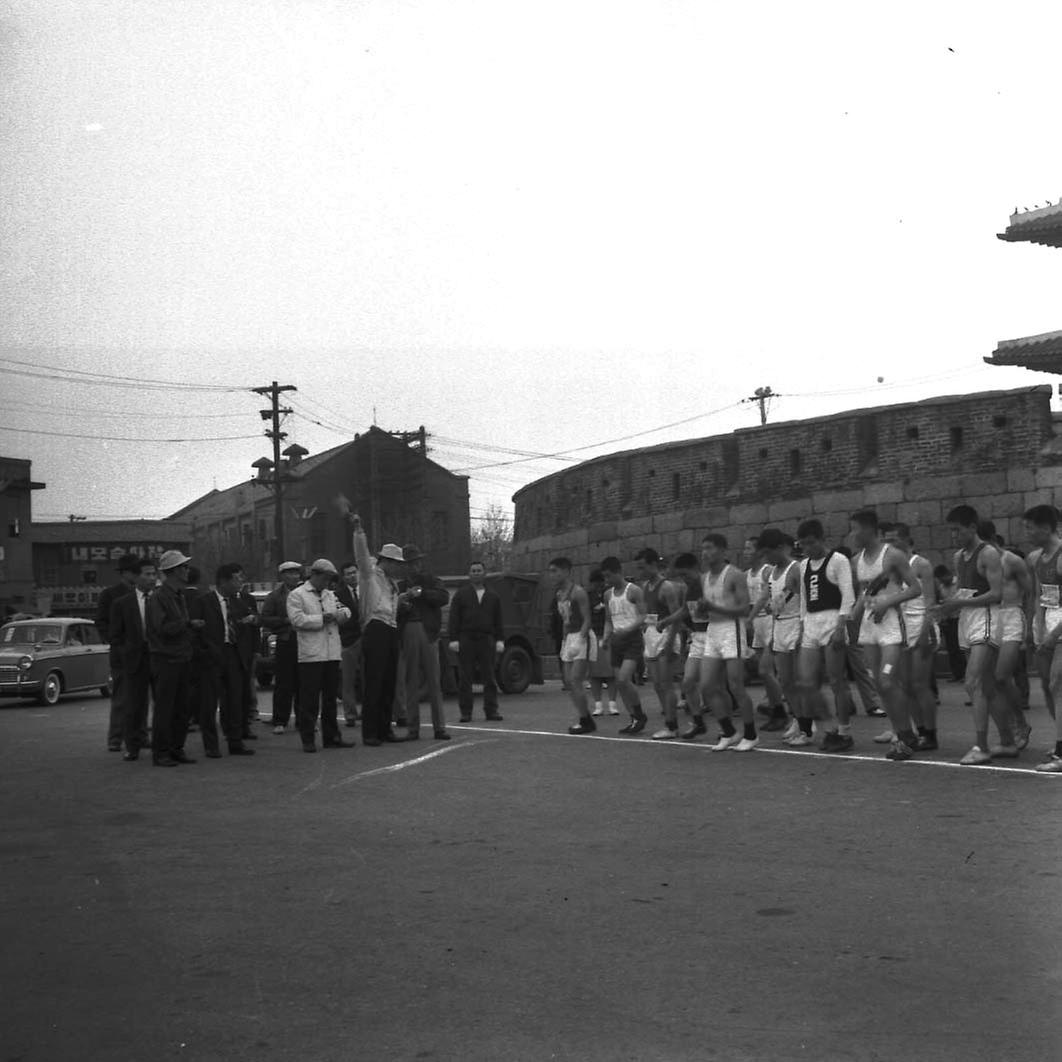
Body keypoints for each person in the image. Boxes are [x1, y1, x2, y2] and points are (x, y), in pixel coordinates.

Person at [850, 509, 922, 761]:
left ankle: (907, 735)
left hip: (891, 625)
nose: (853, 534)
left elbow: (915, 588)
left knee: (889, 680)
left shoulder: (892, 555)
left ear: (870, 529)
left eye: (857, 529)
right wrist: (853, 616)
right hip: (869, 628)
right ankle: (900, 733)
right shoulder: (856, 560)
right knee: (880, 685)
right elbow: (863, 593)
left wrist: (888, 602)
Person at [937, 506, 1006, 766]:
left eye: (958, 530)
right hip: (968, 618)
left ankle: (982, 745)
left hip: (987, 616)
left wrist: (958, 604)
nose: (954, 535)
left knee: (973, 682)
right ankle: (1009, 739)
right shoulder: (958, 557)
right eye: (951, 530)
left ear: (973, 528)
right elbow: (962, 591)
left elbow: (997, 594)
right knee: (985, 685)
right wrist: (946, 607)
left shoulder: (987, 553)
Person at [348, 513, 413, 745]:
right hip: (375, 627)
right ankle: (370, 732)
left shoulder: (391, 583)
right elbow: (361, 556)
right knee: (374, 681)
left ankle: (385, 729)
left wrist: (401, 601)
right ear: (386, 561)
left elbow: (390, 605)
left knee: (388, 681)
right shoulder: (369, 575)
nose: (399, 568)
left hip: (390, 628)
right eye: (396, 563)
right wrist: (359, 531)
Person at [794, 519, 855, 752]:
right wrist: (801, 629)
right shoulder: (803, 566)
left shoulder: (838, 560)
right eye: (803, 545)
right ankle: (820, 728)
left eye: (811, 543)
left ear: (821, 539)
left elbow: (848, 595)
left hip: (832, 621)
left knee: (836, 680)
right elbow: (803, 598)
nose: (807, 549)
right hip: (811, 622)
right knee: (807, 681)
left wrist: (841, 627)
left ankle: (844, 731)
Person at [879, 523, 940, 751]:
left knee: (920, 684)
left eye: (895, 539)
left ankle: (931, 734)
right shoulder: (890, 566)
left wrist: (926, 630)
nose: (891, 544)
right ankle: (919, 730)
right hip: (901, 626)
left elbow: (931, 601)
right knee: (905, 684)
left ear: (906, 540)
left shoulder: (920, 564)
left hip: (920, 622)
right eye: (887, 539)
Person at [696, 534, 758, 751]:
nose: (705, 552)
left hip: (732, 629)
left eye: (710, 548)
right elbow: (706, 610)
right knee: (707, 686)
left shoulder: (735, 575)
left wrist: (714, 608)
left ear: (723, 550)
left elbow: (744, 609)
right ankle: (729, 731)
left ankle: (750, 734)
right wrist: (703, 610)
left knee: (735, 685)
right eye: (703, 548)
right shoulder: (703, 578)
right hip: (713, 630)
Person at [189, 563, 257, 758]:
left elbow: (256, 620)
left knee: (235, 701)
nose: (241, 582)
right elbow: (194, 632)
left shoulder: (239, 602)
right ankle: (211, 745)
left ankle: (235, 742)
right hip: (211, 658)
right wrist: (203, 653)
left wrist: (252, 620)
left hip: (234, 655)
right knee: (209, 703)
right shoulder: (203, 602)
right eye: (237, 578)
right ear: (223, 581)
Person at [287, 558, 353, 753]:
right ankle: (308, 738)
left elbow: (346, 611)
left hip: (331, 652)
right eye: (325, 578)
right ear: (315, 575)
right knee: (310, 699)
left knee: (331, 699)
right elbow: (297, 620)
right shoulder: (297, 595)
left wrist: (339, 616)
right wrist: (321, 619)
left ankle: (332, 736)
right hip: (311, 654)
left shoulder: (329, 595)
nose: (327, 583)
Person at [979, 520, 1033, 755]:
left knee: (1002, 676)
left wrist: (1031, 626)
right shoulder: (978, 561)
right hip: (990, 617)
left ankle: (1019, 721)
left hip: (1012, 615)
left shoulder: (1012, 561)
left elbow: (1031, 593)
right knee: (990, 679)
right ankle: (1011, 727)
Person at [145, 550, 204, 767]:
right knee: (165, 709)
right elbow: (161, 629)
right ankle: (161, 752)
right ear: (173, 571)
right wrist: (188, 625)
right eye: (184, 567)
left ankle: (176, 749)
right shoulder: (160, 597)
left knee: (182, 708)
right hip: (166, 659)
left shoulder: (178, 595)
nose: (188, 570)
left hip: (181, 657)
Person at [755, 529, 803, 743]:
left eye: (769, 553)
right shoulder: (770, 572)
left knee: (800, 679)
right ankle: (797, 719)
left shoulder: (796, 569)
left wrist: (803, 630)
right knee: (785, 681)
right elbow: (769, 598)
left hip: (796, 624)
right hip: (779, 625)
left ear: (780, 548)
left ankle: (807, 723)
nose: (767, 558)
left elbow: (806, 602)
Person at [398, 544, 451, 740]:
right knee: (411, 680)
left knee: (434, 681)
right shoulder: (401, 585)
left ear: (421, 562)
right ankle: (413, 728)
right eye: (409, 564)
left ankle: (440, 727)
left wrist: (423, 593)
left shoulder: (432, 581)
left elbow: (444, 598)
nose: (413, 567)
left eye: (416, 562)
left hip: (428, 632)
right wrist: (403, 603)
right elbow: (393, 610)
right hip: (410, 629)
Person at [656, 552, 710, 741]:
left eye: (686, 575)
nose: (684, 579)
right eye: (682, 576)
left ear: (696, 568)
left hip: (714, 635)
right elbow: (685, 610)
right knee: (687, 682)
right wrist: (666, 621)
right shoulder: (690, 588)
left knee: (712, 685)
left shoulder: (707, 583)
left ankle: (728, 727)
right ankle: (698, 722)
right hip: (697, 637)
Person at [1024, 505, 1062, 772]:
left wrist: (1054, 634)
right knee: (1049, 687)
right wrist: (1035, 628)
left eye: (1030, 527)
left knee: (1058, 684)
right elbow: (1038, 596)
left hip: (1060, 628)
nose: (1027, 533)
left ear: (1047, 527)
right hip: (1046, 625)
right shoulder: (1035, 558)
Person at [108, 558, 157, 761]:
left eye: (154, 574)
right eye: (147, 574)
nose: (152, 578)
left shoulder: (162, 599)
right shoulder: (122, 604)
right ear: (137, 577)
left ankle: (162, 743)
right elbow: (115, 635)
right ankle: (132, 745)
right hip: (134, 659)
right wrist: (125, 654)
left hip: (159, 657)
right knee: (133, 705)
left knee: (162, 703)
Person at [448, 559, 505, 723]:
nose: (476, 573)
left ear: (484, 573)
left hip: (486, 639)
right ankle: (466, 712)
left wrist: (500, 639)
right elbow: (454, 618)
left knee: (489, 676)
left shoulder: (493, 596)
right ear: (469, 574)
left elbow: (498, 620)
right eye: (473, 571)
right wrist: (454, 639)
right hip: (466, 639)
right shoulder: (461, 594)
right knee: (465, 678)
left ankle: (491, 711)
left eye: (479, 570)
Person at [634, 548, 682, 740]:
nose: (640, 571)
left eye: (643, 567)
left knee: (666, 683)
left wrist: (670, 643)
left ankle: (672, 725)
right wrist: (645, 629)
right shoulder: (645, 586)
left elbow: (677, 616)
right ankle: (669, 721)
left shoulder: (667, 587)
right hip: (651, 635)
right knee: (657, 685)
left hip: (665, 635)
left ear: (653, 565)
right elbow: (647, 613)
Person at [96, 553, 140, 752]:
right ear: (124, 573)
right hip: (121, 653)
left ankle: (140, 735)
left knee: (142, 698)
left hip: (143, 652)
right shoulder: (110, 594)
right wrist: (116, 642)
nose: (137, 575)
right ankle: (115, 738)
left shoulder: (144, 593)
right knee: (121, 698)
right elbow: (101, 622)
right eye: (134, 572)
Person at [599, 555, 647, 734]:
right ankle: (634, 717)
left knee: (623, 678)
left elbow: (643, 615)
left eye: (610, 576)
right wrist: (605, 636)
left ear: (619, 572)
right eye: (605, 577)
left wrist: (628, 629)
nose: (607, 580)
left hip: (632, 640)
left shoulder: (634, 591)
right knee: (620, 684)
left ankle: (640, 714)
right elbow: (608, 620)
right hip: (616, 641)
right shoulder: (607, 595)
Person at [742, 536, 786, 729]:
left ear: (759, 551)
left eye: (749, 548)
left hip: (769, 621)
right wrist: (748, 619)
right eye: (745, 549)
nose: (746, 552)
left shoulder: (767, 571)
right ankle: (774, 704)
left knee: (766, 670)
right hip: (757, 623)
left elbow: (767, 596)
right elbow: (748, 600)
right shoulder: (746, 575)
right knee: (765, 671)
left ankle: (781, 710)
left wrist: (757, 614)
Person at [549, 557, 596, 734]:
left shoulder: (578, 592)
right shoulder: (559, 594)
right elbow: (564, 621)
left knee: (576, 679)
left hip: (581, 636)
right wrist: (563, 641)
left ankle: (585, 721)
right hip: (568, 637)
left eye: (555, 571)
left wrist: (580, 640)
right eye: (550, 571)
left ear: (566, 571)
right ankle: (585, 717)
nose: (552, 575)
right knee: (569, 682)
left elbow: (587, 619)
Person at [260, 561, 303, 734]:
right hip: (285, 640)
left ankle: (303, 720)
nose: (294, 576)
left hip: (305, 641)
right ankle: (280, 720)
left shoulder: (305, 593)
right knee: (284, 683)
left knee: (304, 683)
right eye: (290, 573)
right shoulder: (275, 596)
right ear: (282, 576)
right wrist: (284, 621)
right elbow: (265, 618)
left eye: (296, 573)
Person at [334, 560, 363, 729]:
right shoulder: (337, 595)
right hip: (348, 640)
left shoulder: (367, 590)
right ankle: (350, 714)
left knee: (370, 677)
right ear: (343, 578)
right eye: (348, 574)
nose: (352, 576)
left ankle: (369, 711)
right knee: (347, 679)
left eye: (354, 572)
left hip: (367, 638)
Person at [586, 569, 618, 716]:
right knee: (594, 674)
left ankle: (612, 704)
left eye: (599, 584)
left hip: (608, 634)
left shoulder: (610, 593)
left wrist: (603, 607)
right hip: (593, 635)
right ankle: (598, 705)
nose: (596, 587)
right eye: (594, 584)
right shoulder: (587, 595)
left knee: (610, 672)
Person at [935, 565, 966, 682]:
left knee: (960, 648)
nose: (942, 581)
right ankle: (957, 674)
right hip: (947, 620)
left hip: (959, 618)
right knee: (951, 648)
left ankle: (964, 673)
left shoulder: (958, 583)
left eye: (942, 577)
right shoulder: (941, 587)